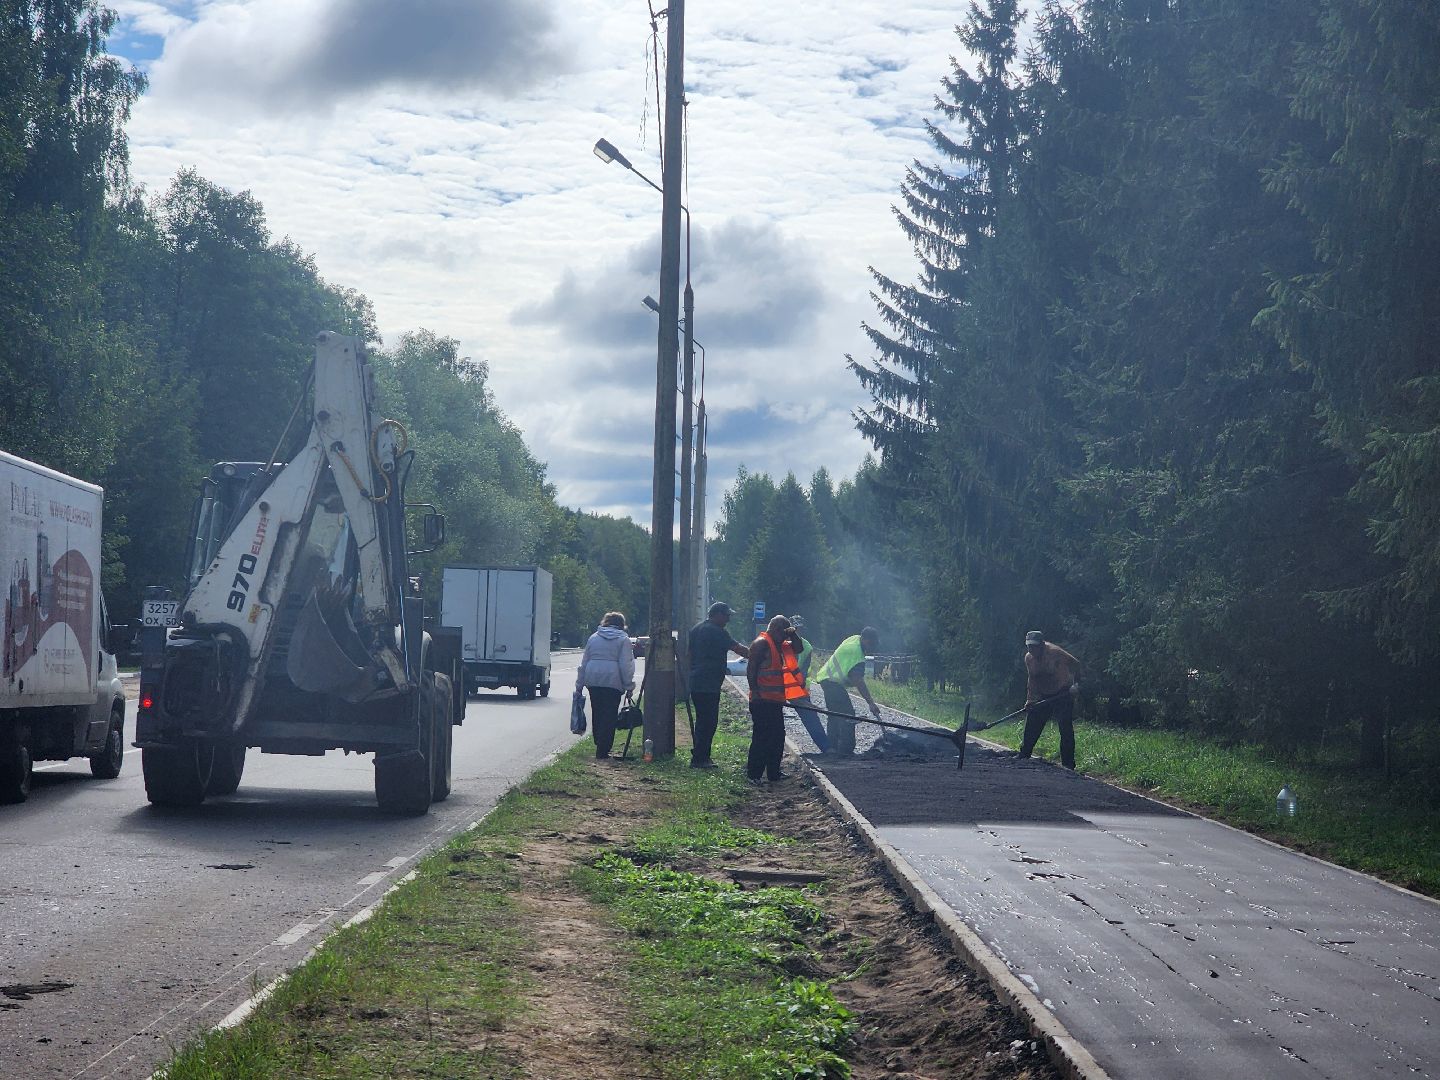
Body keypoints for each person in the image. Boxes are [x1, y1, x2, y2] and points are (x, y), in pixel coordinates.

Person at [686, 601, 750, 769]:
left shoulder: (697, 629)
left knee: (702, 721)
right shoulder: (717, 631)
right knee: (709, 722)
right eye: (727, 616)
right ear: (717, 614)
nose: (728, 619)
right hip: (708, 683)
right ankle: (700, 758)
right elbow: (738, 649)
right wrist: (760, 655)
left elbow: (689, 654)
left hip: (697, 680)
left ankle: (700, 755)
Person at [745, 614, 808, 784]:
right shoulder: (762, 643)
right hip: (761, 701)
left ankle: (774, 773)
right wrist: (755, 692)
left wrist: (792, 633)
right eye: (784, 633)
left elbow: (799, 648)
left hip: (774, 701)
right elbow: (751, 670)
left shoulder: (779, 645)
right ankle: (754, 775)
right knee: (762, 738)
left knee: (778, 737)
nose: (785, 637)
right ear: (775, 629)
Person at [811, 626, 882, 756]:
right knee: (848, 715)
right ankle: (846, 750)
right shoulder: (857, 656)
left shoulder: (854, 639)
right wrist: (871, 703)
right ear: (865, 639)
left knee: (834, 715)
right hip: (833, 683)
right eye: (871, 644)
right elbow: (858, 681)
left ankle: (832, 747)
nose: (872, 648)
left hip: (826, 679)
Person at [575, 612, 636, 760]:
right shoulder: (623, 639)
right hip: (612, 681)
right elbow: (626, 665)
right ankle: (603, 749)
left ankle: (599, 742)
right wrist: (629, 685)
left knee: (597, 712)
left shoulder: (594, 637)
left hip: (593, 678)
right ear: (622, 624)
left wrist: (579, 684)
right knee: (609, 715)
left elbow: (584, 662)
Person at [1019, 630, 1082, 769]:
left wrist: (1076, 684)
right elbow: (1032, 679)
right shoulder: (1028, 658)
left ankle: (1068, 764)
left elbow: (1076, 664)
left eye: (1034, 646)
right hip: (1043, 694)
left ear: (1041, 645)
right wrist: (1030, 699)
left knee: (1065, 727)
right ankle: (1024, 754)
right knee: (1033, 721)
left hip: (1062, 693)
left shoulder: (1055, 653)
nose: (1031, 649)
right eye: (1029, 646)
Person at [788, 615, 830, 753]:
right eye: (795, 630)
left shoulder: (806, 646)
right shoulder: (780, 643)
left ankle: (826, 747)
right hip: (778, 686)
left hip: (797, 687)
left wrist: (799, 693)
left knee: (811, 717)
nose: (797, 632)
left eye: (799, 629)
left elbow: (803, 670)